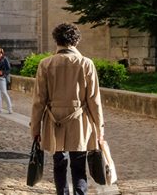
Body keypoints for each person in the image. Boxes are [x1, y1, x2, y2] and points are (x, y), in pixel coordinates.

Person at [31, 23, 104, 195]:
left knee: (59, 165)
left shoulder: (45, 64)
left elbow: (39, 100)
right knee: (79, 166)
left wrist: (35, 128)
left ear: (56, 41)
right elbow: (94, 100)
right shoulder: (86, 64)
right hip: (79, 121)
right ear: (76, 42)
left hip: (54, 120)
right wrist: (99, 128)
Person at [0, 46, 13, 114]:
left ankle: (10, 107)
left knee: (4, 92)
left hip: (1, 77)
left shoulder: (4, 59)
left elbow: (9, 68)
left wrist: (4, 74)